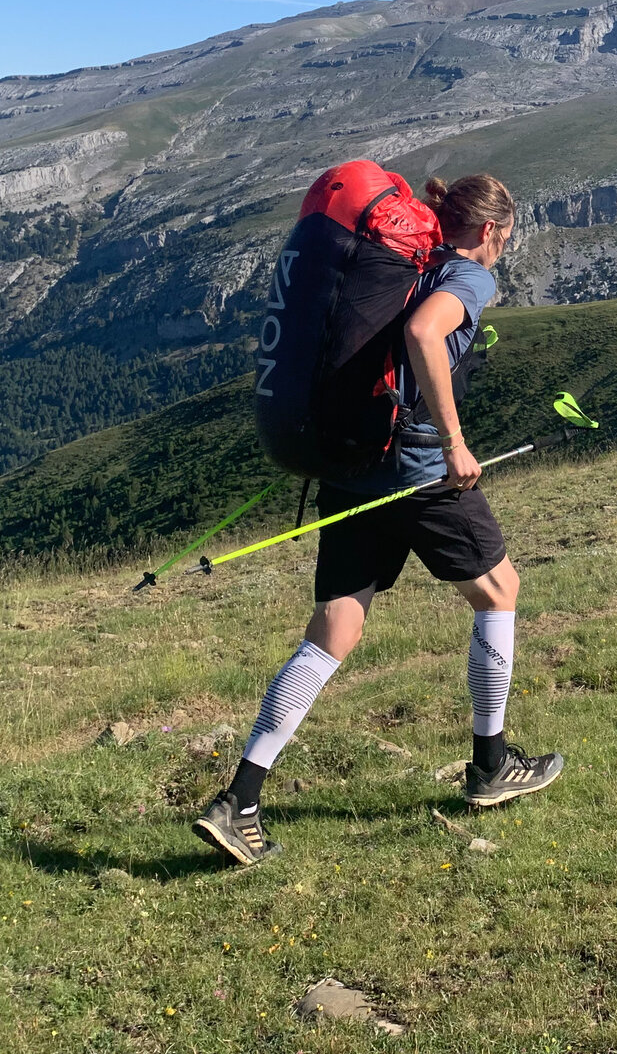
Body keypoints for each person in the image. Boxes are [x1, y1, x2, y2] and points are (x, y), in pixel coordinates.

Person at [195, 173, 562, 866]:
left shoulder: (406, 265)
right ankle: (491, 764)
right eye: (505, 238)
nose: (503, 250)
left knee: (335, 626)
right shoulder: (466, 276)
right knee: (499, 591)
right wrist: (454, 443)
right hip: (417, 470)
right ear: (489, 231)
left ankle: (240, 800)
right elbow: (425, 332)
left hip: (352, 465)